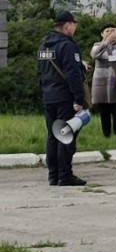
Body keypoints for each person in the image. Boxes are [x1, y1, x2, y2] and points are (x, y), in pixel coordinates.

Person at [38, 10, 87, 186]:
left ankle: (53, 175)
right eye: (74, 24)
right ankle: (65, 176)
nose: (75, 28)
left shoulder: (44, 46)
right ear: (67, 25)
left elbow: (40, 73)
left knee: (53, 136)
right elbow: (73, 74)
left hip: (48, 96)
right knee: (66, 135)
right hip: (65, 97)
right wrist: (79, 98)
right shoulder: (67, 46)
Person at [90, 23, 116, 138]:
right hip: (101, 84)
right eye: (107, 31)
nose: (110, 33)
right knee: (104, 111)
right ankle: (106, 135)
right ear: (102, 34)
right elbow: (94, 54)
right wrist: (105, 43)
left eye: (112, 30)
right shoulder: (97, 45)